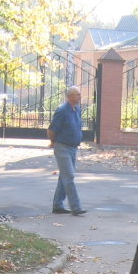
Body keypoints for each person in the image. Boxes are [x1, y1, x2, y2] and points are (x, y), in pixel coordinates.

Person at [47, 86, 85, 216]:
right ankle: (76, 207)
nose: (79, 96)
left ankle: (57, 205)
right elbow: (51, 130)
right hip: (62, 146)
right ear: (70, 96)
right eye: (77, 94)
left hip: (73, 147)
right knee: (69, 176)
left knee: (64, 176)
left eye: (79, 94)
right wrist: (53, 142)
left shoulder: (77, 109)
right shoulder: (62, 110)